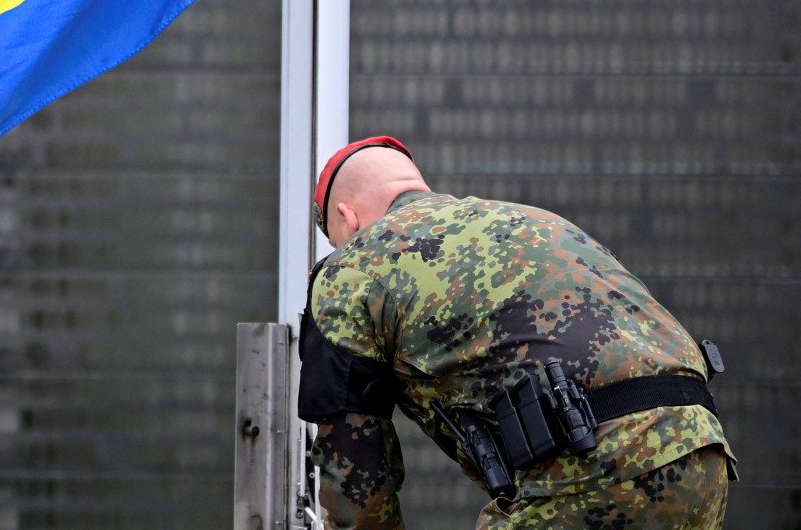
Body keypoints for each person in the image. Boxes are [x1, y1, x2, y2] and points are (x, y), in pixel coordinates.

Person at [298, 136, 732, 530]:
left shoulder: (350, 268)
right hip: (702, 454)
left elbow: (354, 473)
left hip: (593, 469)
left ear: (347, 218)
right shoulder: (537, 221)